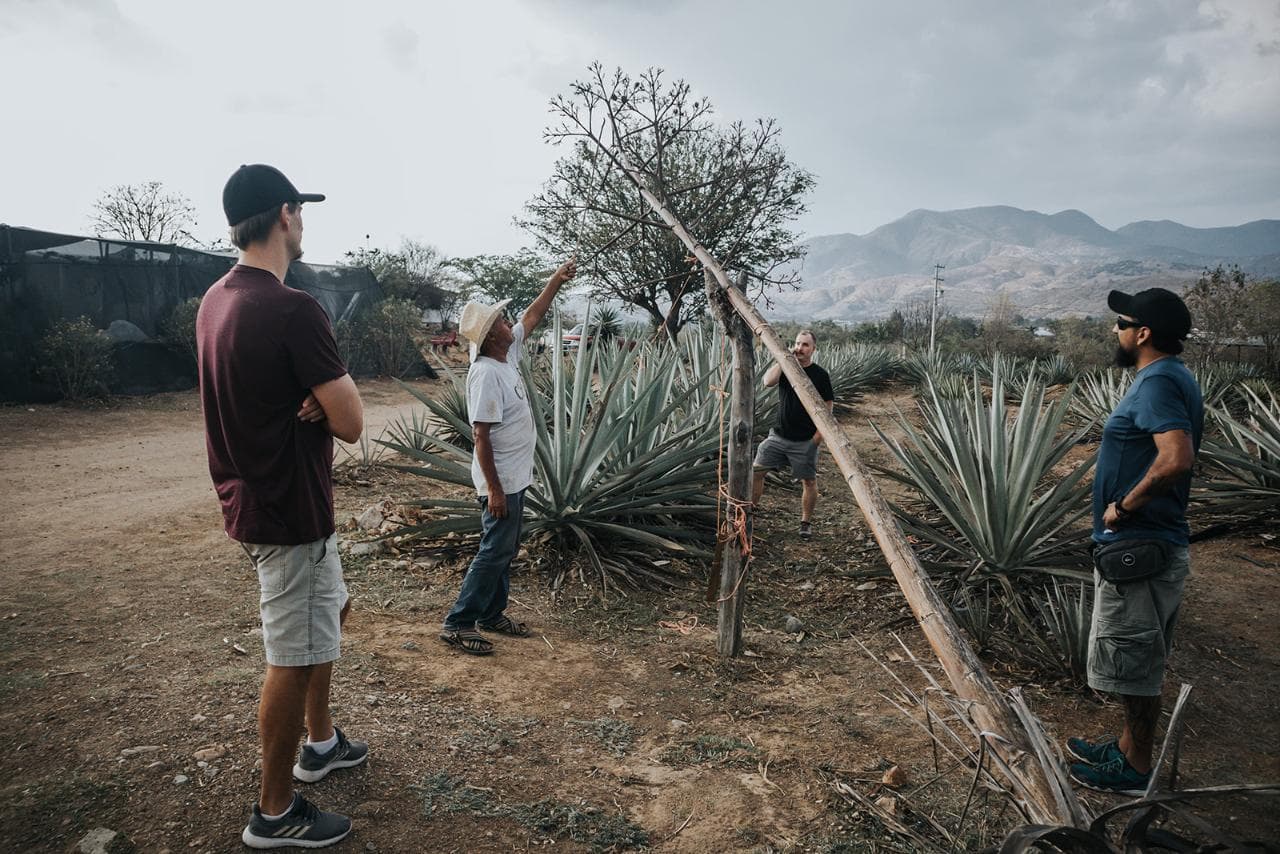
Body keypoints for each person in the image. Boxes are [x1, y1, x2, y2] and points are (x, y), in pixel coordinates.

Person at [197, 164, 368, 848]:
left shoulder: (216, 299)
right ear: (285, 215)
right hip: (290, 510)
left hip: (252, 498)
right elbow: (352, 421)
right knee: (292, 656)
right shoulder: (293, 307)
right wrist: (325, 401)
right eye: (302, 211)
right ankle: (273, 812)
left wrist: (311, 398)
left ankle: (321, 743)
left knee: (333, 608)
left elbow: (259, 389)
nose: (304, 223)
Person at [1067, 287, 1203, 796]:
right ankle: (1127, 749)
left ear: (1142, 333)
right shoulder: (1172, 376)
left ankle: (1136, 769)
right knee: (1139, 655)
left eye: (1121, 323)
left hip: (1139, 548)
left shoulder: (1158, 382)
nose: (1115, 330)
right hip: (1146, 547)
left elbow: (1176, 458)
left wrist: (1123, 507)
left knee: (1134, 661)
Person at [440, 258, 577, 655]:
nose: (508, 322)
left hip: (514, 476)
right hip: (499, 481)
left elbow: (533, 316)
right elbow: (480, 436)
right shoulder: (485, 373)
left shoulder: (506, 356)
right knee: (494, 550)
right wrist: (495, 490)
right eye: (501, 321)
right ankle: (459, 622)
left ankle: (491, 614)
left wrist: (555, 280)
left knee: (504, 549)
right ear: (490, 338)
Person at [751, 329, 835, 538]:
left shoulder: (820, 375)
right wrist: (784, 359)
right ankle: (749, 513)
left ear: (813, 349)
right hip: (778, 436)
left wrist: (817, 438)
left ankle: (805, 523)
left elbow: (828, 406)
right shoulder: (786, 368)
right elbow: (767, 382)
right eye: (798, 343)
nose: (800, 348)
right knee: (756, 473)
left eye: (805, 345)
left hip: (805, 440)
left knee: (809, 482)